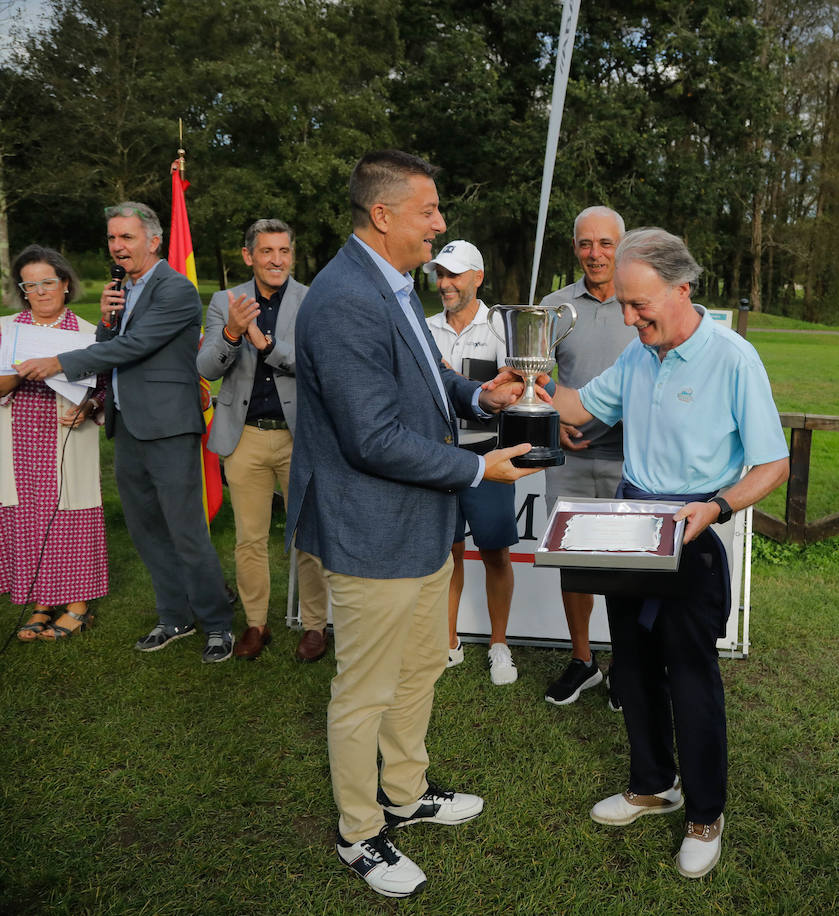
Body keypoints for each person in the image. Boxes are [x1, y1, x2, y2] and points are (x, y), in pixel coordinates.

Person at [283, 150, 542, 899]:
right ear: (383, 214)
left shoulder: (388, 284)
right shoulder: (342, 300)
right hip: (371, 530)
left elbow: (425, 381)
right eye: (429, 210)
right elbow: (372, 437)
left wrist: (479, 400)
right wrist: (477, 469)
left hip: (421, 524)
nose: (440, 223)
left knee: (423, 664)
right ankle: (360, 832)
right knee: (364, 689)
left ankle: (405, 791)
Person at [550, 227, 790, 879]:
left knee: (691, 681)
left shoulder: (734, 358)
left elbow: (773, 463)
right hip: (632, 524)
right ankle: (654, 784)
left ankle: (706, 814)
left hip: (695, 531)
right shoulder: (638, 356)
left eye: (638, 304)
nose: (629, 318)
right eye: (624, 306)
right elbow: (578, 408)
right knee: (631, 669)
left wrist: (717, 506)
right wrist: (530, 383)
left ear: (682, 289)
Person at [18, 202, 236, 662]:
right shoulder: (123, 289)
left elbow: (136, 346)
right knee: (145, 530)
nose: (118, 247)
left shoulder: (175, 288)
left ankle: (217, 623)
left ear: (153, 241)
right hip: (128, 423)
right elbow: (109, 346)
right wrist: (104, 317)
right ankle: (174, 616)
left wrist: (59, 362)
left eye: (127, 238)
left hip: (169, 426)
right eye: (113, 238)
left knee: (185, 530)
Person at [197, 218, 329, 662]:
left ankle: (314, 626)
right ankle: (256, 624)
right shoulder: (224, 301)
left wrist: (264, 343)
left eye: (284, 251)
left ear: (292, 254)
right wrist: (234, 333)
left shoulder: (311, 300)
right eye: (267, 251)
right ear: (249, 255)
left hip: (300, 438)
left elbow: (314, 366)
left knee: (308, 537)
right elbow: (208, 368)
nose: (277, 260)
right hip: (245, 437)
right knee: (249, 539)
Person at [539, 205, 638, 706]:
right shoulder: (554, 307)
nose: (594, 254)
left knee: (627, 569)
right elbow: (532, 377)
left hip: (631, 461)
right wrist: (557, 425)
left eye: (604, 243)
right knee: (574, 563)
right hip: (571, 457)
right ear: (574, 246)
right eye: (585, 243)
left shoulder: (643, 300)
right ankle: (584, 661)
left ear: (622, 245)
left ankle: (626, 665)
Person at [420, 239, 518, 685]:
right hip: (439, 456)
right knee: (448, 554)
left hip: (489, 456)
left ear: (477, 277)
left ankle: (499, 644)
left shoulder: (502, 329)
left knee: (495, 553)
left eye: (455, 274)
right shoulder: (421, 327)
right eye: (440, 274)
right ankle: (449, 642)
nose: (445, 283)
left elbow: (519, 390)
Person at [1, 246, 108, 639]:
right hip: (19, 439)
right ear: (23, 290)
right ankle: (41, 601)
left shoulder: (86, 333)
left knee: (71, 516)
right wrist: (22, 373)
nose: (41, 291)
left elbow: (105, 389)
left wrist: (90, 406)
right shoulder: (6, 328)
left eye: (49, 282)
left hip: (66, 435)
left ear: (65, 283)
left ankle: (78, 605)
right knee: (29, 516)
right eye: (32, 284)